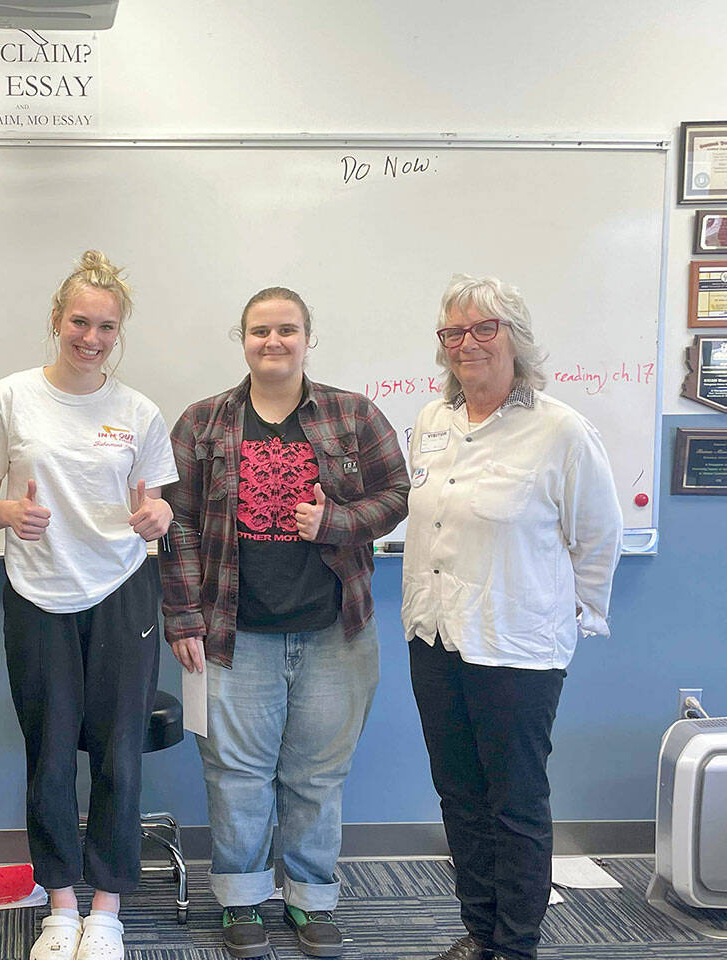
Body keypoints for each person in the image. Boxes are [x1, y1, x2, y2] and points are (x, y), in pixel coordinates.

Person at [159, 287, 408, 958]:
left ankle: (309, 899)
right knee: (235, 776)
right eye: (261, 330)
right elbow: (174, 523)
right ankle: (241, 903)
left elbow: (396, 496)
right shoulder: (203, 422)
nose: (274, 341)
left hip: (336, 631)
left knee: (317, 777)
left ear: (308, 337)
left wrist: (336, 522)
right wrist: (182, 614)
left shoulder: (353, 415)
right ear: (242, 338)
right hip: (232, 634)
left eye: (287, 330)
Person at [402, 275, 623, 960]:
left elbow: (600, 535)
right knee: (459, 795)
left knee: (515, 802)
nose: (466, 343)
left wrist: (569, 618)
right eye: (453, 332)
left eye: (483, 328)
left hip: (517, 645)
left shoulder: (559, 430)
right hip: (436, 633)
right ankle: (480, 930)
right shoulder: (432, 422)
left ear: (515, 338)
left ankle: (517, 944)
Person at [0, 251, 177, 960]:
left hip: (122, 594)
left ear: (120, 333)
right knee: (49, 755)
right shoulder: (9, 397)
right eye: (79, 322)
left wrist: (159, 521)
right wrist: (5, 516)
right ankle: (60, 904)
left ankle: (107, 909)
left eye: (106, 327)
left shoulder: (138, 411)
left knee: (119, 756)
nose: (91, 337)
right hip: (36, 593)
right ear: (56, 320)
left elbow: (158, 506)